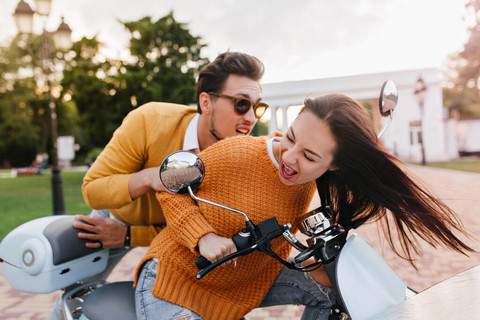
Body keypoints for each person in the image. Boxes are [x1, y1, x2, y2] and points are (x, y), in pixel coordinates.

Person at [134, 94, 473, 320]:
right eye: (291, 137)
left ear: (334, 165)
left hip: (245, 278)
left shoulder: (308, 182)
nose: (290, 157)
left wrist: (319, 264)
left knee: (339, 294)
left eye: (310, 156)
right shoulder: (237, 153)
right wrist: (202, 236)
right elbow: (171, 186)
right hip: (174, 278)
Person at [46, 51, 268, 320]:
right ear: (206, 102)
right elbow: (93, 189)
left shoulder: (241, 157)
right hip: (118, 213)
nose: (251, 118)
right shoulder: (150, 120)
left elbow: (205, 231)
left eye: (258, 107)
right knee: (75, 293)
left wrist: (129, 236)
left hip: (176, 236)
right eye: (242, 104)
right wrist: (152, 177)